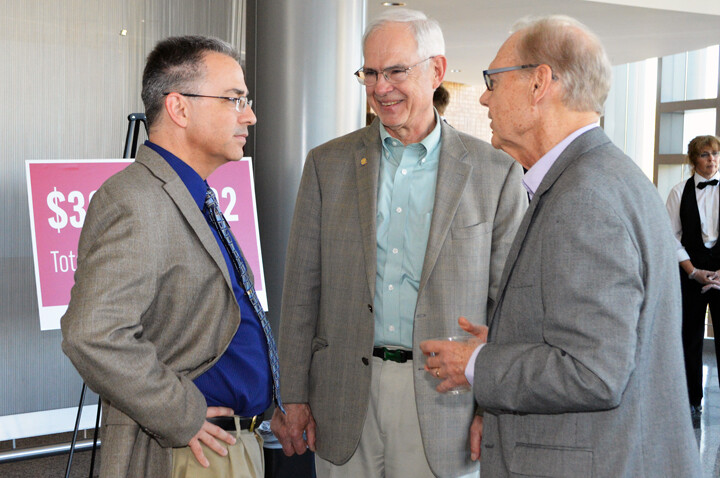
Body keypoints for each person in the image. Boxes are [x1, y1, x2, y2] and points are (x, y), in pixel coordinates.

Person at [421, 15, 702, 477]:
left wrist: (481, 363)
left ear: (539, 83)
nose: (486, 96)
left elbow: (595, 372)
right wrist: (512, 340)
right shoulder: (601, 179)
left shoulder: (584, 199)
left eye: (493, 80)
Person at [270, 8, 527, 478]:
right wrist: (293, 394)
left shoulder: (496, 174)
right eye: (370, 73)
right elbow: (302, 290)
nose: (380, 87)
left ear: (436, 71)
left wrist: (493, 407)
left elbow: (510, 306)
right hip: (343, 400)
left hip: (446, 401)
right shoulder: (326, 165)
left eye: (395, 71)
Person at [61, 35, 282, 478]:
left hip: (230, 443)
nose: (250, 116)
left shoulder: (191, 193)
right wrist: (180, 414)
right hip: (189, 452)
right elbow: (93, 334)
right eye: (235, 99)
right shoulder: (134, 199)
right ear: (179, 108)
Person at [666, 134, 720, 425]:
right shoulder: (678, 192)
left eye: (715, 154)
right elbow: (671, 239)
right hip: (690, 276)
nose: (711, 159)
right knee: (689, 341)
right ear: (693, 160)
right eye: (704, 154)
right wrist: (692, 272)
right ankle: (691, 402)